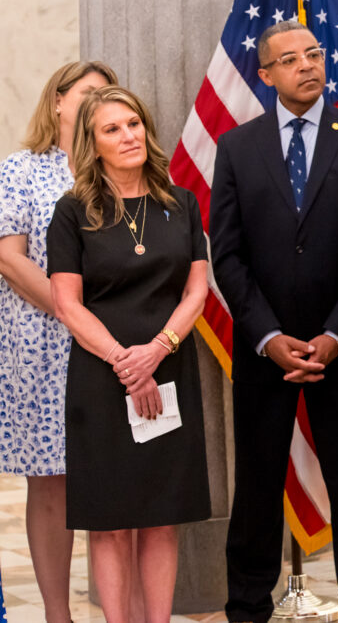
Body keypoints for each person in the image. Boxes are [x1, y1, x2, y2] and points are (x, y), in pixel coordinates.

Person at [210, 20, 338, 623]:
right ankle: (247, 606)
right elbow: (226, 254)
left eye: (314, 54)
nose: (307, 65)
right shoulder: (237, 147)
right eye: (290, 59)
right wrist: (266, 336)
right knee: (257, 482)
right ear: (265, 75)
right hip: (265, 348)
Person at [47, 84, 211, 622]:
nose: (128, 136)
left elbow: (196, 292)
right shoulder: (73, 211)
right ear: (92, 144)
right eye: (112, 129)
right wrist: (127, 362)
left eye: (134, 123)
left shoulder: (181, 203)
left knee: (162, 517)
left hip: (170, 369)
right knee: (111, 521)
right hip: (102, 377)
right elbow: (67, 304)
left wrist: (156, 351)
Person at [0, 60, 116, 622]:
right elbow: (9, 257)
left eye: (107, 94)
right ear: (58, 102)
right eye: (88, 92)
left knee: (111, 478)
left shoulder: (117, 168)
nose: (98, 102)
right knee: (50, 482)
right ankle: (56, 614)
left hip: (114, 341)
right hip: (41, 343)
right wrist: (72, 313)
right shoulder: (22, 169)